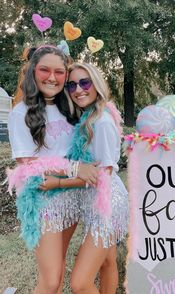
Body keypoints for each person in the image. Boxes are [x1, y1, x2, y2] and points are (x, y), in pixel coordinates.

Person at [8, 46, 99, 294]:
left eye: (60, 72)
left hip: (69, 199)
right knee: (49, 282)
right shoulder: (20, 113)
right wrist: (75, 168)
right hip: (43, 202)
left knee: (57, 275)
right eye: (44, 70)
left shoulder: (68, 108)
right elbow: (28, 166)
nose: (52, 77)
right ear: (32, 72)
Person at [40, 62, 129, 294]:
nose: (78, 89)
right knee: (108, 262)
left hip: (108, 203)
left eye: (85, 82)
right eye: (71, 85)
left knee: (80, 283)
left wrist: (58, 182)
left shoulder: (102, 122)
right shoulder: (87, 117)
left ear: (96, 84)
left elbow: (104, 175)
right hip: (91, 201)